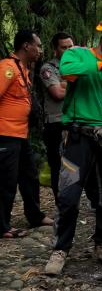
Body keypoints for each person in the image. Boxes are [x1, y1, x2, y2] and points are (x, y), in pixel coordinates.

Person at [45, 13, 102, 275]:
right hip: (78, 138)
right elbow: (67, 71)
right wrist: (97, 66)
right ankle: (60, 249)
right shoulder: (78, 54)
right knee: (69, 195)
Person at [0, 29, 53, 239]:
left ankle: (35, 215)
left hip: (20, 135)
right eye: (38, 45)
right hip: (5, 134)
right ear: (26, 46)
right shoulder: (8, 68)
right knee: (6, 180)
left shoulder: (22, 70)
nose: (40, 50)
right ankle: (2, 226)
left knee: (30, 176)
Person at [40, 32, 74, 201]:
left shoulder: (78, 65)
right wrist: (76, 83)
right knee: (57, 166)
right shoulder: (48, 69)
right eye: (64, 47)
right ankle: (61, 204)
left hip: (75, 122)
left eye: (70, 47)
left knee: (74, 164)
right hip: (56, 123)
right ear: (55, 50)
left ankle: (71, 202)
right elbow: (58, 93)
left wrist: (65, 82)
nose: (68, 50)